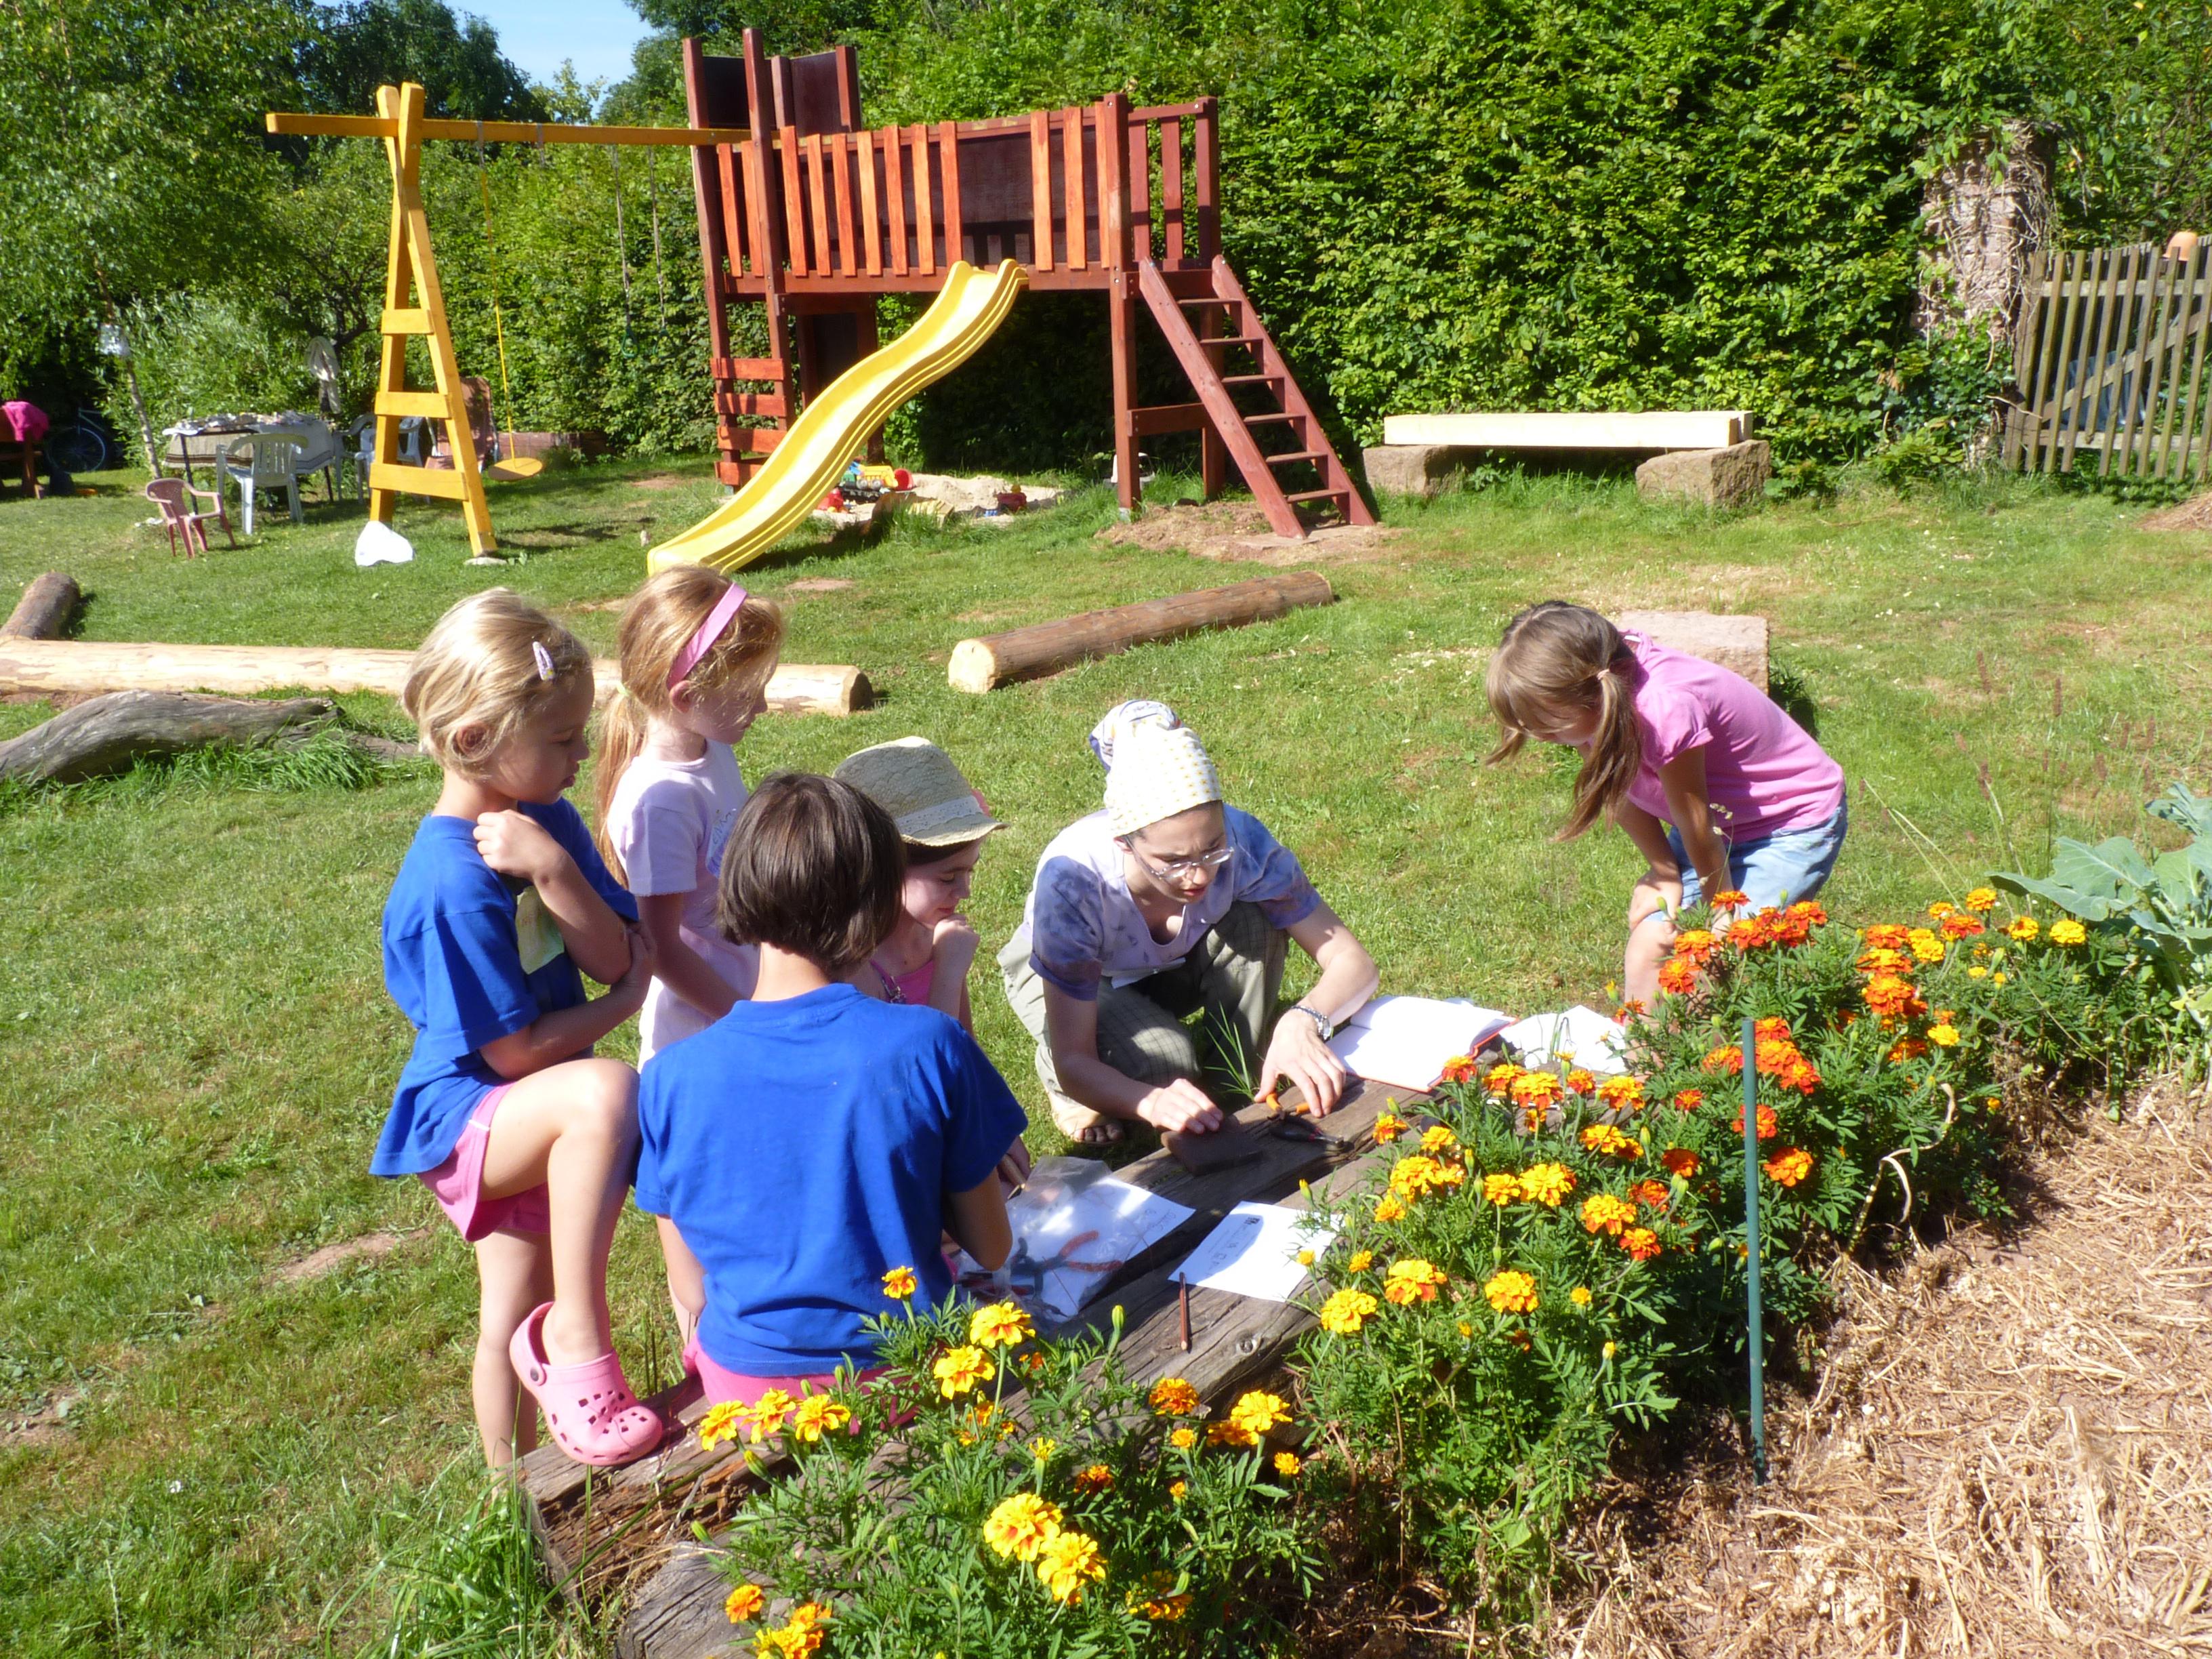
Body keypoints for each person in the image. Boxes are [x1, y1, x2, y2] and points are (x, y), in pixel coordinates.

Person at [374, 590, 661, 1469]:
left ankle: (518, 1503)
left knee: (509, 1309)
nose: (583, 755)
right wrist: (626, 1007)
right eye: (564, 740)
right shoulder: (450, 882)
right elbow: (512, 1052)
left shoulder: (547, 820)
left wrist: (555, 873)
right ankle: (579, 1341)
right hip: (469, 1114)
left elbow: (616, 952)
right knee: (609, 1091)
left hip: (537, 1100)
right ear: (476, 742)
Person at [637, 773, 1023, 1406]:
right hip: (906, 1380)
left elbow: (693, 1289)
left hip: (744, 1394)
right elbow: (992, 1243)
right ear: (877, 902)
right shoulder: (927, 1043)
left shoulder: (667, 1078)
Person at [998, 700, 1380, 1146]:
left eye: (1212, 847)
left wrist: (1303, 1020)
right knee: (1163, 1068)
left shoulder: (1244, 843)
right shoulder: (1074, 884)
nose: (1198, 875)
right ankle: (1062, 1084)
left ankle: (1233, 1071)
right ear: (1124, 843)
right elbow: (1076, 1058)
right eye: (1172, 861)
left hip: (1164, 960)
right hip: (1075, 981)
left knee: (1255, 923)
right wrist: (1151, 1101)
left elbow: (1354, 963)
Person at [1483, 600, 1847, 1009]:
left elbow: (1698, 825)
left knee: (1710, 958)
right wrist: (1663, 872)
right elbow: (1616, 788)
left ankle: (1715, 1064)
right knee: (1651, 944)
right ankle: (1644, 1067)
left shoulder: (1664, 710)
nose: (1535, 734)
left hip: (1788, 824)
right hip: (1713, 829)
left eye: (1546, 722)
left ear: (1596, 696)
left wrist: (1720, 912)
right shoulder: (1598, 698)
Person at [594, 566, 785, 1065]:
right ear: (687, 698)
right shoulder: (662, 802)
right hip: (703, 1036)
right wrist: (747, 1022)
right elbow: (662, 949)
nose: (761, 706)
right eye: (746, 694)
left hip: (748, 997)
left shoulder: (711, 746)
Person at [833, 736, 1002, 1033]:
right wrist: (948, 975)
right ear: (883, 868)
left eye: (969, 871)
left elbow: (967, 1057)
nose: (965, 892)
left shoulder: (937, 939)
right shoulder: (852, 967)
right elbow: (930, 1065)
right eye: (948, 878)